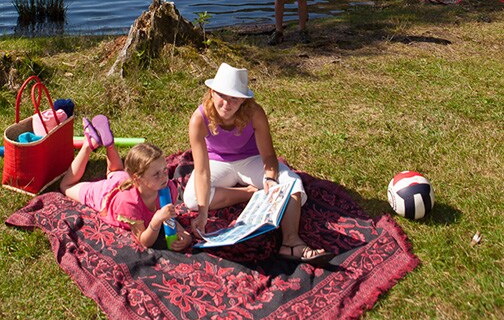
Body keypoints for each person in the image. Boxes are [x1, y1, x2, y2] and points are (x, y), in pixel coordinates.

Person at [183, 62, 329, 263]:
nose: (226, 103)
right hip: (217, 162)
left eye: (234, 98)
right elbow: (201, 171)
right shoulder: (199, 118)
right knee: (192, 198)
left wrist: (269, 178)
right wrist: (203, 214)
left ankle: (291, 242)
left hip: (251, 160)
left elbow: (269, 156)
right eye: (222, 96)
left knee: (292, 183)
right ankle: (249, 194)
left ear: (243, 100)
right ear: (212, 92)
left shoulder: (255, 113)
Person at [61, 115, 192, 252]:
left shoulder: (168, 187)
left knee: (116, 171)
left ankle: (109, 145)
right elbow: (144, 241)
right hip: (104, 194)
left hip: (123, 179)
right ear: (137, 178)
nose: (164, 177)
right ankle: (89, 144)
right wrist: (156, 221)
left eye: (165, 170)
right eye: (156, 174)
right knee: (66, 186)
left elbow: (171, 218)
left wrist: (186, 235)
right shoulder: (129, 203)